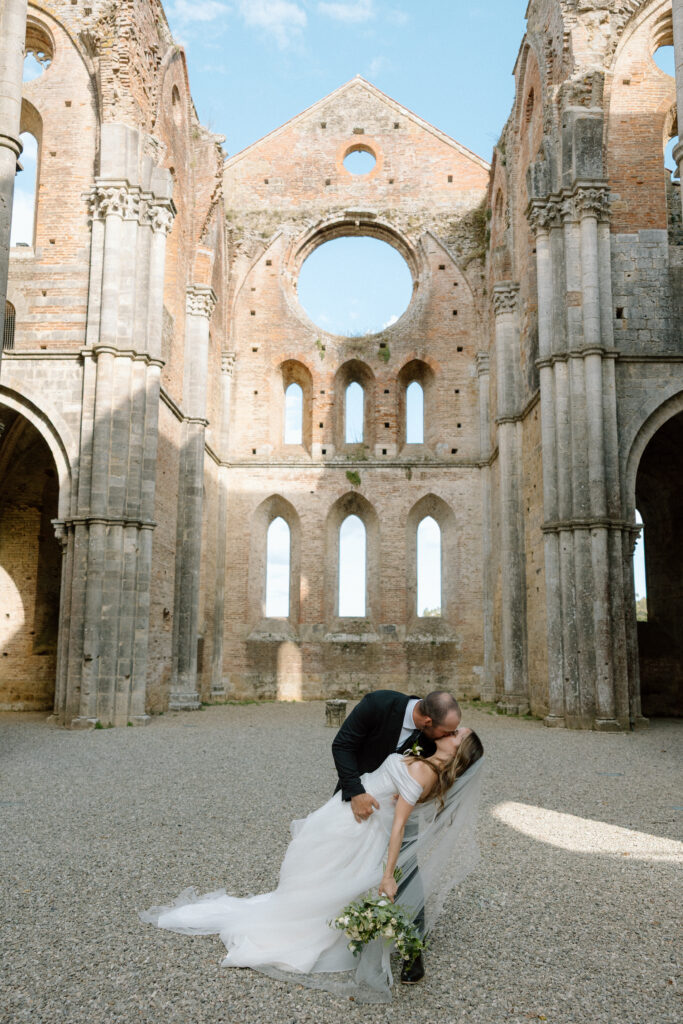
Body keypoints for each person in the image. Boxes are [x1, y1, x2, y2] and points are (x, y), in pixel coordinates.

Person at [139, 719, 484, 1004]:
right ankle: (295, 909)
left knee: (321, 868)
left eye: (457, 735)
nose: (451, 732)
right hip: (350, 810)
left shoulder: (425, 773)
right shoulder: (425, 761)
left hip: (359, 824)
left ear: (460, 752)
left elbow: (397, 829)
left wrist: (389, 876)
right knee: (312, 866)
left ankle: (295, 924)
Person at [332, 688, 462, 983]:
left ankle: (413, 951)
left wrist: (419, 798)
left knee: (405, 868)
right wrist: (356, 792)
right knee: (343, 862)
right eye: (448, 731)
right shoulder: (378, 704)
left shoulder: (437, 737)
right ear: (427, 721)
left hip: (401, 808)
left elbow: (439, 774)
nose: (450, 736)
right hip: (361, 801)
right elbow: (342, 745)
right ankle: (342, 928)